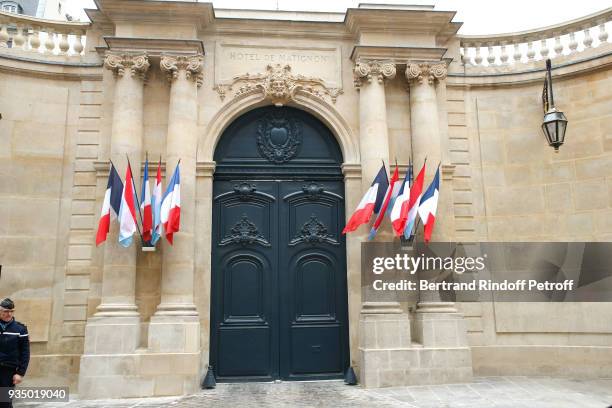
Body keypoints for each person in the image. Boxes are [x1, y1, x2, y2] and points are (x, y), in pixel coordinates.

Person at [0, 299, 29, 408]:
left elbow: (25, 353)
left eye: (11, 311)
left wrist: (20, 373)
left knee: (4, 402)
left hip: (8, 372)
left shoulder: (20, 329)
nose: (9, 314)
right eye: (6, 311)